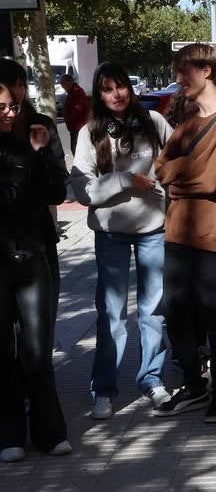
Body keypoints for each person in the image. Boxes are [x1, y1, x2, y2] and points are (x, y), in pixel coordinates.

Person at [69, 62, 173, 419]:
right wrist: (126, 180)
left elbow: (177, 163)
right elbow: (82, 191)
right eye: (108, 89)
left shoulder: (154, 122)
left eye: (121, 86)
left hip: (153, 230)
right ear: (99, 95)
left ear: (131, 87)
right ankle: (104, 388)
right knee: (111, 313)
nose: (117, 95)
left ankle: (152, 379)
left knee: (154, 311)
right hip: (110, 233)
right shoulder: (90, 133)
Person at [153, 43, 216, 424]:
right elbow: (161, 167)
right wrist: (180, 174)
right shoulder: (189, 121)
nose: (179, 79)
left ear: (206, 71)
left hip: (210, 229)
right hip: (177, 227)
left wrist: (177, 177)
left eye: (185, 71)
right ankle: (194, 383)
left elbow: (210, 181)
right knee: (175, 307)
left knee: (209, 308)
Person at [0, 79, 71, 461]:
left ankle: (50, 431)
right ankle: (10, 433)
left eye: (13, 103)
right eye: (4, 107)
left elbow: (55, 194)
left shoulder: (35, 133)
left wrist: (39, 155)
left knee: (37, 350)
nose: (12, 112)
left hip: (31, 254)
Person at [0, 59, 66, 326]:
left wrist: (38, 155)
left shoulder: (40, 126)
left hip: (36, 242)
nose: (18, 94)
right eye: (10, 86)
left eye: (20, 86)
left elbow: (57, 189)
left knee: (38, 338)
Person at [60, 74, 90, 152]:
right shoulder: (72, 92)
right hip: (75, 128)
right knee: (75, 149)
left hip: (77, 128)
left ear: (69, 82)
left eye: (63, 84)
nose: (62, 86)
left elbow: (78, 111)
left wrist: (76, 126)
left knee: (77, 150)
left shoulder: (77, 92)